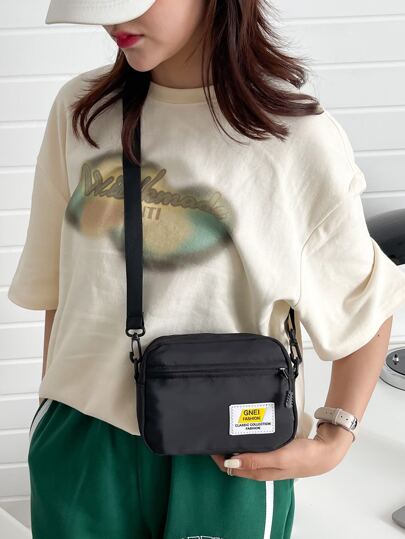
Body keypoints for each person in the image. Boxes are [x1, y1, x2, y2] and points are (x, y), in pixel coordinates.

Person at [8, 1, 405, 538]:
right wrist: (52, 410)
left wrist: (334, 439)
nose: (113, 21)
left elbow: (366, 303)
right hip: (82, 445)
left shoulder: (294, 138)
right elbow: (58, 285)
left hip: (227, 453)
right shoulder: (82, 112)